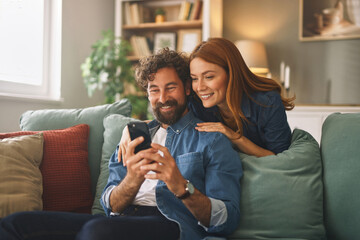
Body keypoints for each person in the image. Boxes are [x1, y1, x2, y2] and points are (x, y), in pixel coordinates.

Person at [0, 48, 242, 240]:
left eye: (171, 87)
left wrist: (181, 186)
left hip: (171, 223)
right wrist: (133, 178)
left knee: (98, 232)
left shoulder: (212, 139)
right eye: (154, 90)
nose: (163, 98)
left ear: (187, 88)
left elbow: (227, 219)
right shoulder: (134, 135)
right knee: (16, 224)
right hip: (120, 221)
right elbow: (111, 205)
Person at [188, 37, 295, 157]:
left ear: (232, 74)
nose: (199, 87)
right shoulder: (195, 104)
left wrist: (234, 137)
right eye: (194, 79)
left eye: (209, 77)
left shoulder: (268, 102)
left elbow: (281, 159)